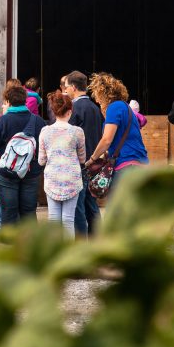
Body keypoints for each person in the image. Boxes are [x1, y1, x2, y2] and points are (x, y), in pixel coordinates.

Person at [0, 86, 46, 225]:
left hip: (7, 173)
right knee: (29, 211)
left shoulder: (2, 122)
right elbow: (44, 148)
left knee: (9, 212)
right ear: (25, 100)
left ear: (8, 101)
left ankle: (10, 239)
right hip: (31, 172)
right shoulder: (38, 121)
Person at [85, 73, 149, 184]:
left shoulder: (114, 107)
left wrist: (92, 159)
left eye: (97, 95)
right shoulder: (124, 107)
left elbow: (107, 140)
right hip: (138, 163)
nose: (97, 100)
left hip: (126, 165)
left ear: (104, 93)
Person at [38, 91, 85, 238]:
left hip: (52, 179)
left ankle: (54, 250)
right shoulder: (77, 132)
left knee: (53, 220)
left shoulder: (45, 132)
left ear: (53, 111)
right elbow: (82, 158)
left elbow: (41, 160)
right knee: (68, 220)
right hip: (72, 180)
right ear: (70, 111)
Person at [64, 71, 103, 237]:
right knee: (90, 202)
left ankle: (81, 239)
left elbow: (68, 136)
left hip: (79, 163)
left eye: (66, 87)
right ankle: (97, 237)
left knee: (78, 205)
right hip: (94, 162)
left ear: (73, 87)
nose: (65, 91)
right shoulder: (95, 108)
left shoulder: (75, 109)